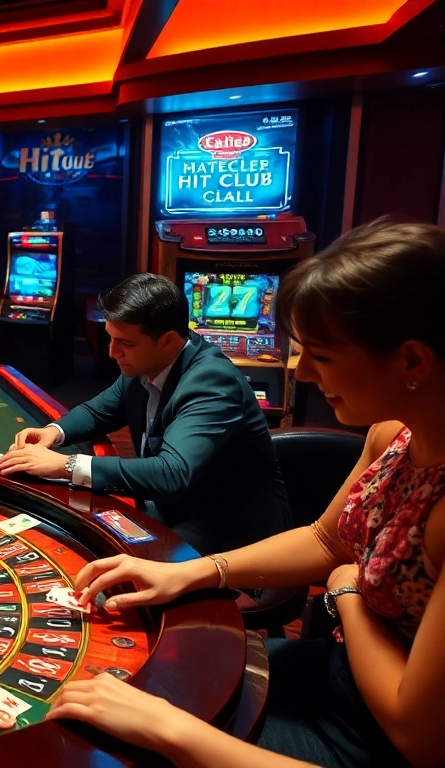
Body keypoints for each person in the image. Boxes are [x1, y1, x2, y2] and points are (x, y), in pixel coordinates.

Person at [48, 218, 445, 768]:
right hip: (336, 667)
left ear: (412, 360)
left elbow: (418, 737)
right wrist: (189, 572)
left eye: (322, 356)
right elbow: (327, 540)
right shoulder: (391, 435)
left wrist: (350, 597)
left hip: (371, 736)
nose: (301, 373)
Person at [0, 273, 291, 554]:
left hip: (227, 529)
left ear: (168, 340)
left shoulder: (212, 383)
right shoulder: (144, 363)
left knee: (115, 572)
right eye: (110, 338)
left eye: (124, 343)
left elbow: (172, 473)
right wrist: (54, 432)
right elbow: (99, 411)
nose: (112, 352)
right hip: (173, 508)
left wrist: (67, 465)